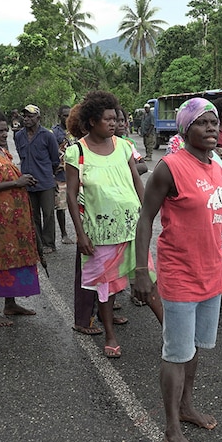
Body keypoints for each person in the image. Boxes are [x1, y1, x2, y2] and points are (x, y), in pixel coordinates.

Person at [134, 98, 222, 442]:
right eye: (202, 123)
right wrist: (142, 271)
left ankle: (187, 406)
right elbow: (145, 219)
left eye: (215, 122)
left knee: (195, 348)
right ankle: (172, 429)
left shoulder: (216, 166)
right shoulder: (169, 167)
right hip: (179, 275)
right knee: (176, 352)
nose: (211, 129)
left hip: (211, 274)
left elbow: (217, 219)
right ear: (185, 129)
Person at [65, 91, 162, 358]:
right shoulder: (76, 152)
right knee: (105, 287)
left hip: (133, 228)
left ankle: (169, 332)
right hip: (101, 233)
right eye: (107, 119)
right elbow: (71, 196)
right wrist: (80, 234)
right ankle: (109, 335)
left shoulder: (122, 145)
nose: (113, 123)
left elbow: (135, 180)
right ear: (93, 121)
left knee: (148, 278)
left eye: (114, 118)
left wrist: (148, 215)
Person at [0, 110, 41, 327]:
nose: (5, 134)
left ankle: (10, 304)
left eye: (6, 130)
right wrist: (16, 183)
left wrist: (22, 181)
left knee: (12, 260)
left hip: (15, 220)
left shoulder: (2, 151)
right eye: (0, 131)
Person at [14, 104, 60, 254]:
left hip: (45, 181)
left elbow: (55, 159)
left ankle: (49, 244)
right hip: (27, 182)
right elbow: (21, 157)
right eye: (25, 116)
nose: (26, 119)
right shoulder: (19, 135)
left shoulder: (47, 135)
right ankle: (38, 243)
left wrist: (48, 175)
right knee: (33, 215)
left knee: (48, 214)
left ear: (38, 118)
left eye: (30, 116)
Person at [52, 104, 74, 245]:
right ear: (59, 116)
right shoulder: (54, 133)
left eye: (69, 115)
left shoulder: (76, 130)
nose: (67, 118)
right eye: (65, 115)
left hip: (75, 174)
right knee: (61, 207)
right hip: (60, 174)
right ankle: (64, 234)